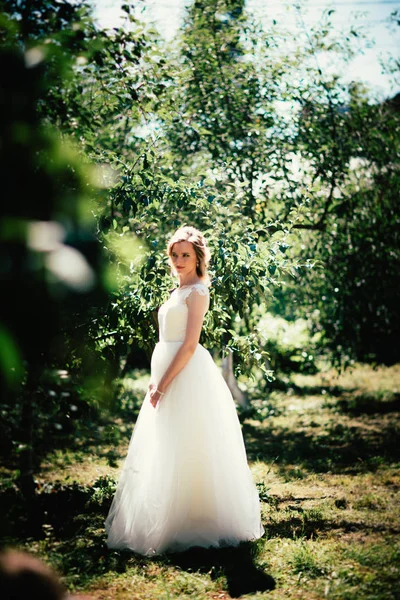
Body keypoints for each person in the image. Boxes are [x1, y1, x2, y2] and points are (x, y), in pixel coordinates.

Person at [105, 226, 264, 556]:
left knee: (190, 442)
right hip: (165, 368)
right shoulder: (176, 292)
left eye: (185, 255)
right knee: (166, 441)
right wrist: (155, 378)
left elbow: (190, 345)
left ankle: (195, 520)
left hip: (187, 373)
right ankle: (165, 518)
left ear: (197, 258)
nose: (178, 260)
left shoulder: (198, 292)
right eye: (174, 254)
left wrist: (162, 385)